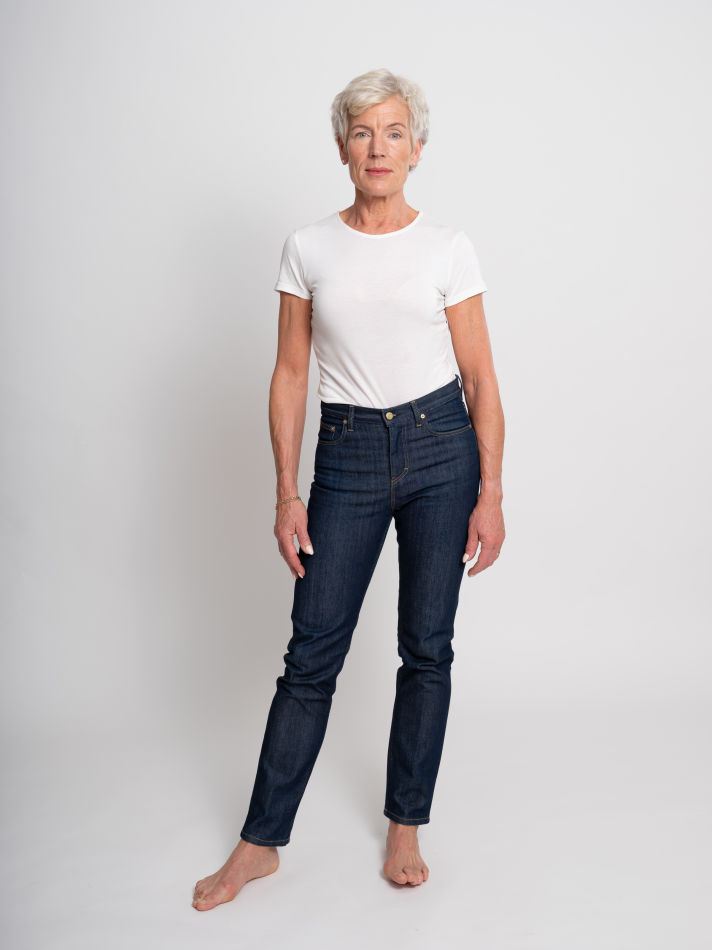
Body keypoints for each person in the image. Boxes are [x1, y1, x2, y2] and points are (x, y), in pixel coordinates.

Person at [192, 67, 505, 910]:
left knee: (427, 647)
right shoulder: (308, 247)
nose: (378, 147)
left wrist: (491, 492)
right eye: (363, 132)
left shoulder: (448, 248)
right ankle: (260, 842)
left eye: (394, 132)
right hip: (349, 453)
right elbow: (291, 374)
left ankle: (406, 824)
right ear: (342, 147)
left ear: (416, 148)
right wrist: (285, 492)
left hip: (442, 449)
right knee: (312, 654)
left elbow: (480, 376)